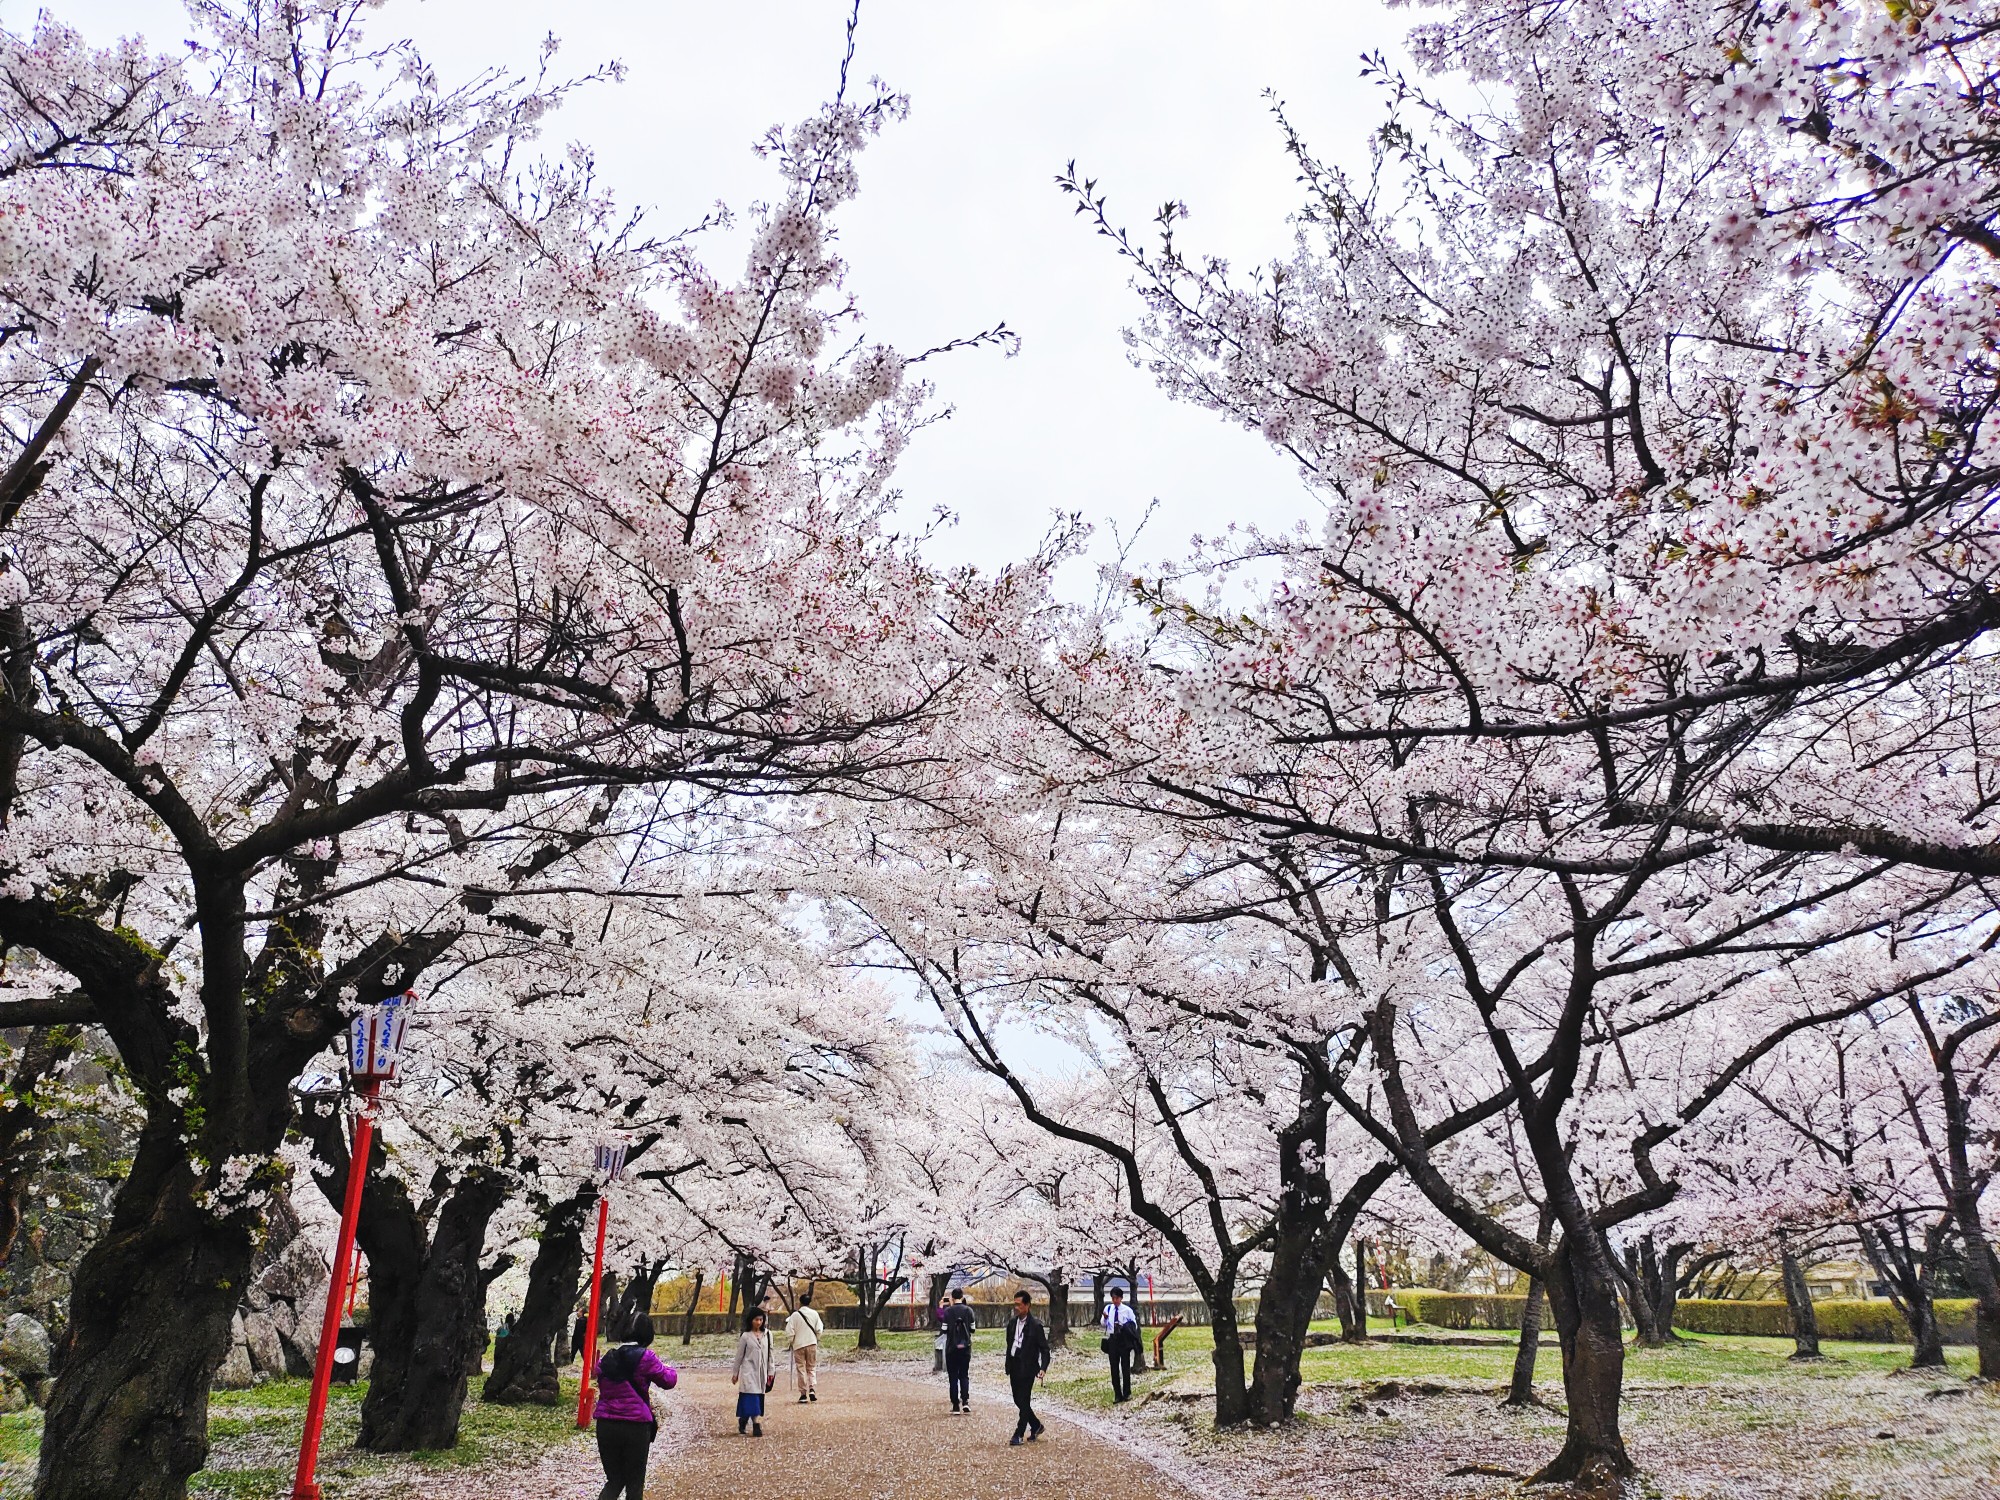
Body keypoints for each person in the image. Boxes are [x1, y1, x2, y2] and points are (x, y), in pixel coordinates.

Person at [592, 1315, 677, 1500]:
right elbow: (668, 1381)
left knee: (614, 1481)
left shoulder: (607, 1359)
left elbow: (598, 1375)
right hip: (635, 1427)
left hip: (606, 1426)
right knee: (634, 1484)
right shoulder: (646, 1357)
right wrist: (669, 1367)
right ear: (647, 1334)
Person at [1003, 1290, 1049, 1445]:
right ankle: (1036, 1424)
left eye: (1019, 1304)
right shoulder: (1011, 1323)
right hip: (1014, 1365)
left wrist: (1043, 1367)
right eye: (1015, 1304)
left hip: (1028, 1367)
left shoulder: (1035, 1326)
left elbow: (1044, 1349)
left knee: (1024, 1399)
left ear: (1027, 1305)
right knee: (1018, 1399)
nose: (1016, 1307)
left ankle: (1019, 1433)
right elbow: (1009, 1343)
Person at [731, 1307, 776, 1436]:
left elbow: (770, 1354)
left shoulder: (768, 1335)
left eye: (761, 1320)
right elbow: (739, 1356)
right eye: (756, 1320)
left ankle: (744, 1419)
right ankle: (756, 1424)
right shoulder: (745, 1336)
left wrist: (771, 1371)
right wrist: (735, 1373)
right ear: (751, 1320)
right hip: (748, 1371)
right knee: (752, 1397)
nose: (759, 1322)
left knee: (755, 1397)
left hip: (761, 1371)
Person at [939, 1287, 976, 1413]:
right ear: (962, 1296)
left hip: (951, 1348)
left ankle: (955, 1405)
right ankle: (965, 1401)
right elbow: (972, 1329)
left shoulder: (948, 1311)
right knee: (964, 1375)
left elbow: (944, 1329)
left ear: (952, 1298)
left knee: (953, 1377)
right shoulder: (969, 1310)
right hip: (965, 1348)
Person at [1102, 1283, 1139, 1402]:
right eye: (1113, 1298)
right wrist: (1106, 1318)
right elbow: (1103, 1323)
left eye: (1117, 1298)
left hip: (1124, 1340)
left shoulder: (1127, 1310)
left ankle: (1127, 1392)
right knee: (1114, 1368)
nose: (1115, 1300)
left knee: (1125, 1367)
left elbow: (1134, 1325)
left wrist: (1125, 1327)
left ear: (1121, 1298)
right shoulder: (1108, 1308)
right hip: (1112, 1339)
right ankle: (1117, 1394)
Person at [786, 1291, 824, 1403]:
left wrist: (791, 1342)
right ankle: (812, 1388)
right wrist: (816, 1338)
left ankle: (803, 1394)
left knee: (801, 1368)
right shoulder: (815, 1314)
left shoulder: (795, 1315)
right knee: (811, 1367)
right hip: (811, 1343)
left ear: (800, 1302)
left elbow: (790, 1331)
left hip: (799, 1345)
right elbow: (819, 1329)